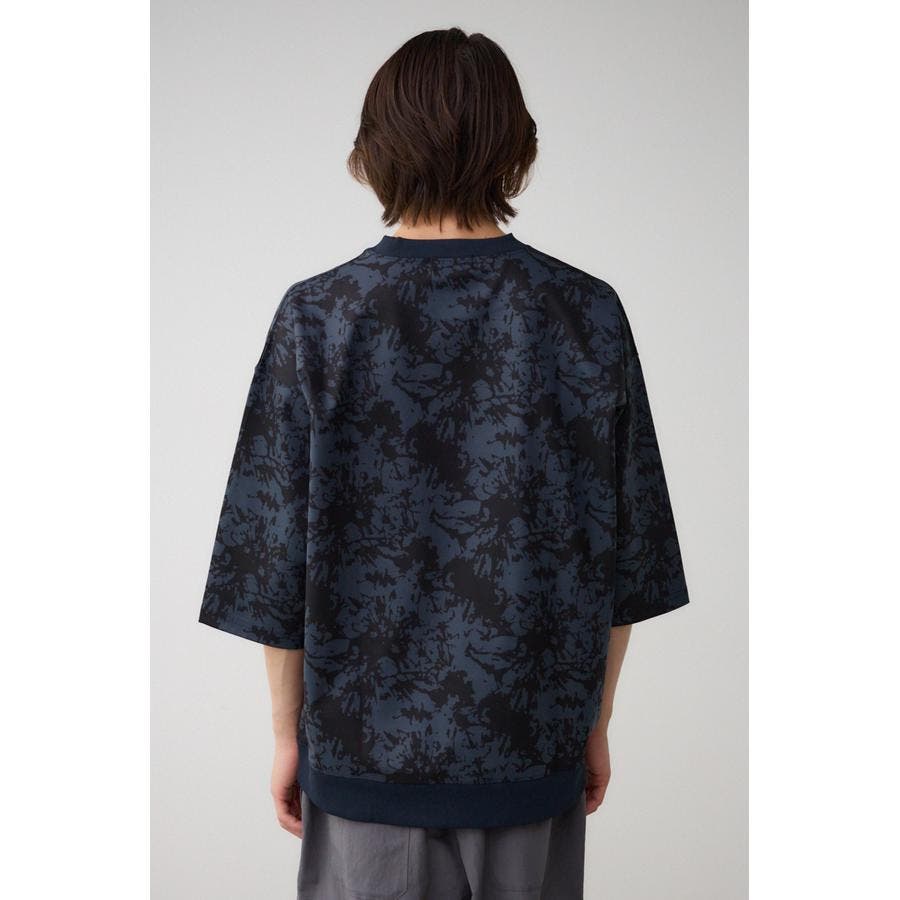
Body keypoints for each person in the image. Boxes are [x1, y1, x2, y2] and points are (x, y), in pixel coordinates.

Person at [199, 26, 690, 900]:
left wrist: (285, 734)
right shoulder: (587, 314)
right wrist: (596, 720)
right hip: (531, 748)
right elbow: (629, 555)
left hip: (362, 760)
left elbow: (272, 562)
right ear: (515, 146)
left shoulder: (318, 315)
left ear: (376, 148)